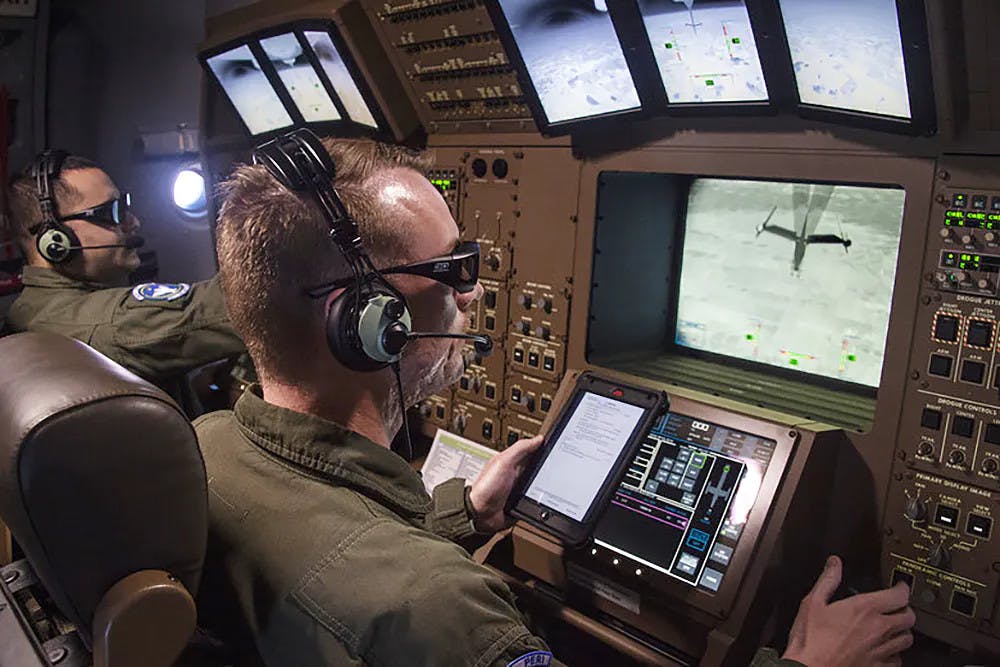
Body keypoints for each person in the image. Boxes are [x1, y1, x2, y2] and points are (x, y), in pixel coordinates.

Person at [196, 134, 914, 666]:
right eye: (453, 267)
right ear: (366, 321)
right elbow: (391, 588)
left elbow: (342, 559)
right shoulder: (446, 612)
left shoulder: (205, 449)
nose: (474, 292)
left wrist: (466, 512)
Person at [3, 150, 245, 393]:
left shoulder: (29, 307)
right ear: (55, 239)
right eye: (111, 211)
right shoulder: (103, 324)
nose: (133, 222)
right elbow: (240, 306)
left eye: (124, 206)